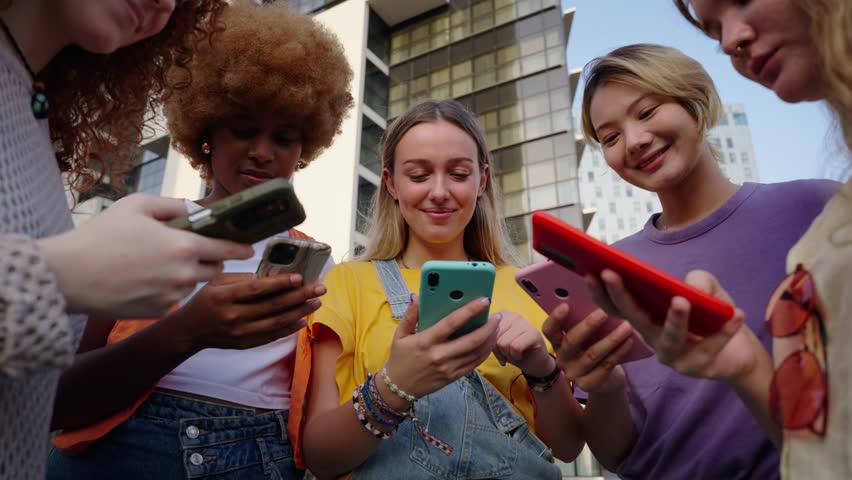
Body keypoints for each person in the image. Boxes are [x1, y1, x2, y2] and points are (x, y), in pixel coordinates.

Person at [45, 1, 353, 478]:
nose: (261, 152)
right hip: (120, 453)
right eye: (244, 130)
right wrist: (189, 330)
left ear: (305, 148)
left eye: (285, 138)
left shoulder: (320, 268)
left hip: (256, 457)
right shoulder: (147, 223)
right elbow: (59, 399)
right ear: (206, 130)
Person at [541, 43, 838, 479]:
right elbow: (614, 454)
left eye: (646, 112)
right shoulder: (609, 272)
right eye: (611, 137)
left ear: (693, 99)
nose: (636, 141)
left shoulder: (816, 207)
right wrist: (607, 389)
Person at [0, 1, 256, 478]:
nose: (166, 3)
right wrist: (60, 274)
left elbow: (35, 395)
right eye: (242, 130)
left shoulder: (34, 114)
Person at [298, 99, 585, 480]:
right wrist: (395, 387)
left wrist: (540, 368)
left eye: (459, 174)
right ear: (391, 184)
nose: (439, 192)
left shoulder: (527, 287)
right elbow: (319, 455)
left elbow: (567, 447)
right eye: (418, 175)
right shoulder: (346, 283)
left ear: (481, 181)